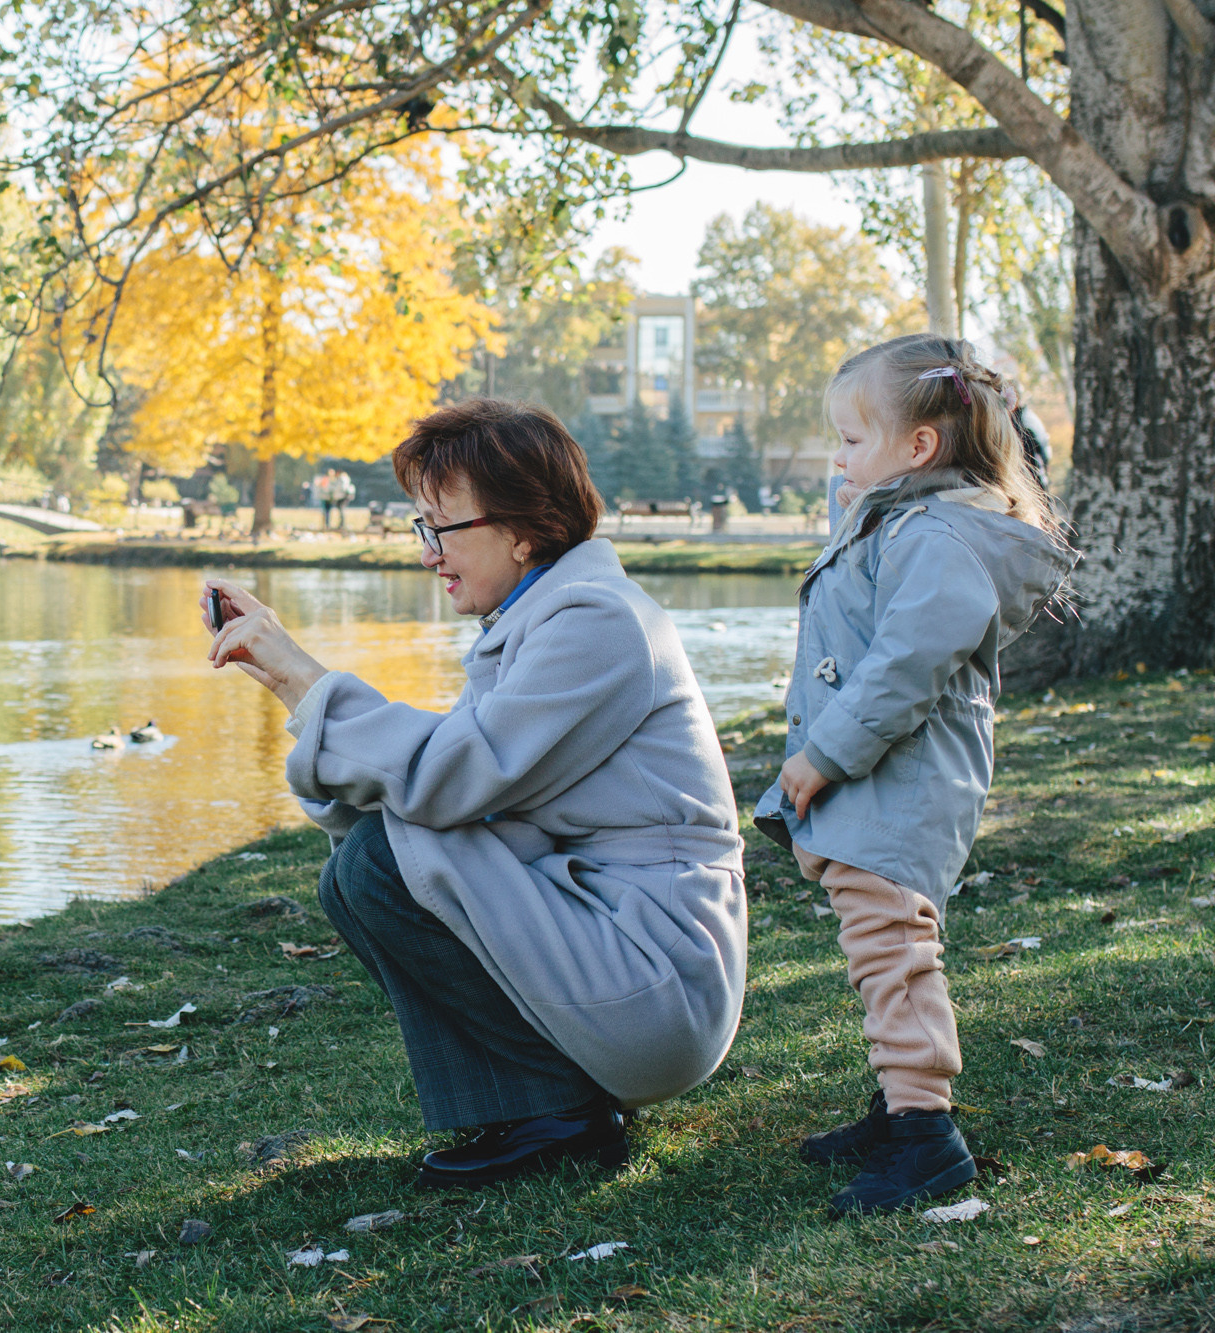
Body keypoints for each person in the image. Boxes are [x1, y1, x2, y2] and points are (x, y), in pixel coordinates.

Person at [203, 398, 748, 1188]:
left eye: (440, 528)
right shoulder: (537, 621)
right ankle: (541, 1104)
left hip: (658, 979)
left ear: (523, 529)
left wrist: (302, 677)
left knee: (385, 861)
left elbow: (447, 779)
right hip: (617, 946)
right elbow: (447, 784)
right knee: (360, 869)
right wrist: (295, 687)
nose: (429, 554)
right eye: (421, 528)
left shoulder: (595, 622)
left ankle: (559, 1114)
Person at [754, 335, 1075, 1216]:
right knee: (878, 949)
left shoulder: (936, 537)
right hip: (882, 780)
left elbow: (903, 667)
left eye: (854, 441)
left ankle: (928, 1138)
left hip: (898, 778)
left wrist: (823, 756)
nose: (839, 458)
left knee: (894, 954)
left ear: (920, 449)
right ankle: (897, 1109)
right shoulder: (901, 520)